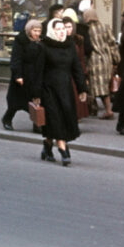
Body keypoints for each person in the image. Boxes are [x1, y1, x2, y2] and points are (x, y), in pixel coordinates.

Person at [34, 18, 89, 166]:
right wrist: (36, 94)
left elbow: (76, 68)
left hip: (65, 88)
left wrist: (82, 88)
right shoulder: (44, 46)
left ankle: (47, 146)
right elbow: (37, 71)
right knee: (55, 118)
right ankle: (63, 150)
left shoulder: (70, 45)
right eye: (57, 29)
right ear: (52, 31)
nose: (61, 32)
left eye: (63, 29)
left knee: (63, 118)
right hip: (48, 88)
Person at [1, 19, 44, 130]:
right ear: (29, 30)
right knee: (15, 102)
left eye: (39, 31)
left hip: (36, 76)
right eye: (35, 30)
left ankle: (37, 124)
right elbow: (16, 59)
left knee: (35, 101)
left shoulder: (41, 42)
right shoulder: (21, 40)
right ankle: (7, 119)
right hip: (23, 75)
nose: (37, 33)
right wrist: (18, 75)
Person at [84, 7, 120, 120]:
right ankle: (107, 110)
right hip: (106, 60)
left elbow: (87, 48)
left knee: (93, 86)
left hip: (94, 61)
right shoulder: (105, 27)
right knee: (104, 87)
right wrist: (117, 59)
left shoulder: (87, 30)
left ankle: (97, 109)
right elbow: (112, 44)